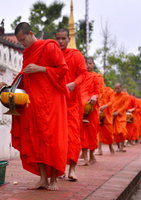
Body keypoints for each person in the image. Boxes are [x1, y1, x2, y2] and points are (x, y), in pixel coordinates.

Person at [11, 22, 69, 190]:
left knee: (52, 139)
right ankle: (43, 179)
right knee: (37, 140)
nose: (23, 44)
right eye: (20, 41)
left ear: (31, 33)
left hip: (52, 102)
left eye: (23, 39)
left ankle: (54, 180)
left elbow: (62, 70)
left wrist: (41, 69)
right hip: (33, 103)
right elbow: (25, 75)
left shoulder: (49, 46)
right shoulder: (27, 52)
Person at [55, 28, 86, 181]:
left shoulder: (76, 55)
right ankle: (59, 168)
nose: (60, 42)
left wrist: (75, 83)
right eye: (58, 38)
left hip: (73, 103)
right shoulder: (52, 55)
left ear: (69, 39)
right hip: (56, 103)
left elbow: (83, 73)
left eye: (63, 38)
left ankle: (72, 169)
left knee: (73, 136)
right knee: (57, 137)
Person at [79, 57, 100, 165]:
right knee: (82, 134)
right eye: (86, 63)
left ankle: (92, 156)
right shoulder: (80, 76)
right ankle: (85, 158)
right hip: (81, 107)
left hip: (92, 108)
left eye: (90, 63)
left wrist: (94, 97)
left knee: (92, 133)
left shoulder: (96, 77)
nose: (88, 66)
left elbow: (98, 91)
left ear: (94, 64)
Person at [111, 83, 129, 152]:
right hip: (114, 116)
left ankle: (122, 147)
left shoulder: (125, 95)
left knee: (122, 131)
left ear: (121, 88)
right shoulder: (113, 95)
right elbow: (112, 104)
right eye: (115, 88)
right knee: (115, 133)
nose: (117, 90)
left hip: (121, 116)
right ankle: (118, 147)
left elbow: (125, 106)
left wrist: (118, 112)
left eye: (118, 88)